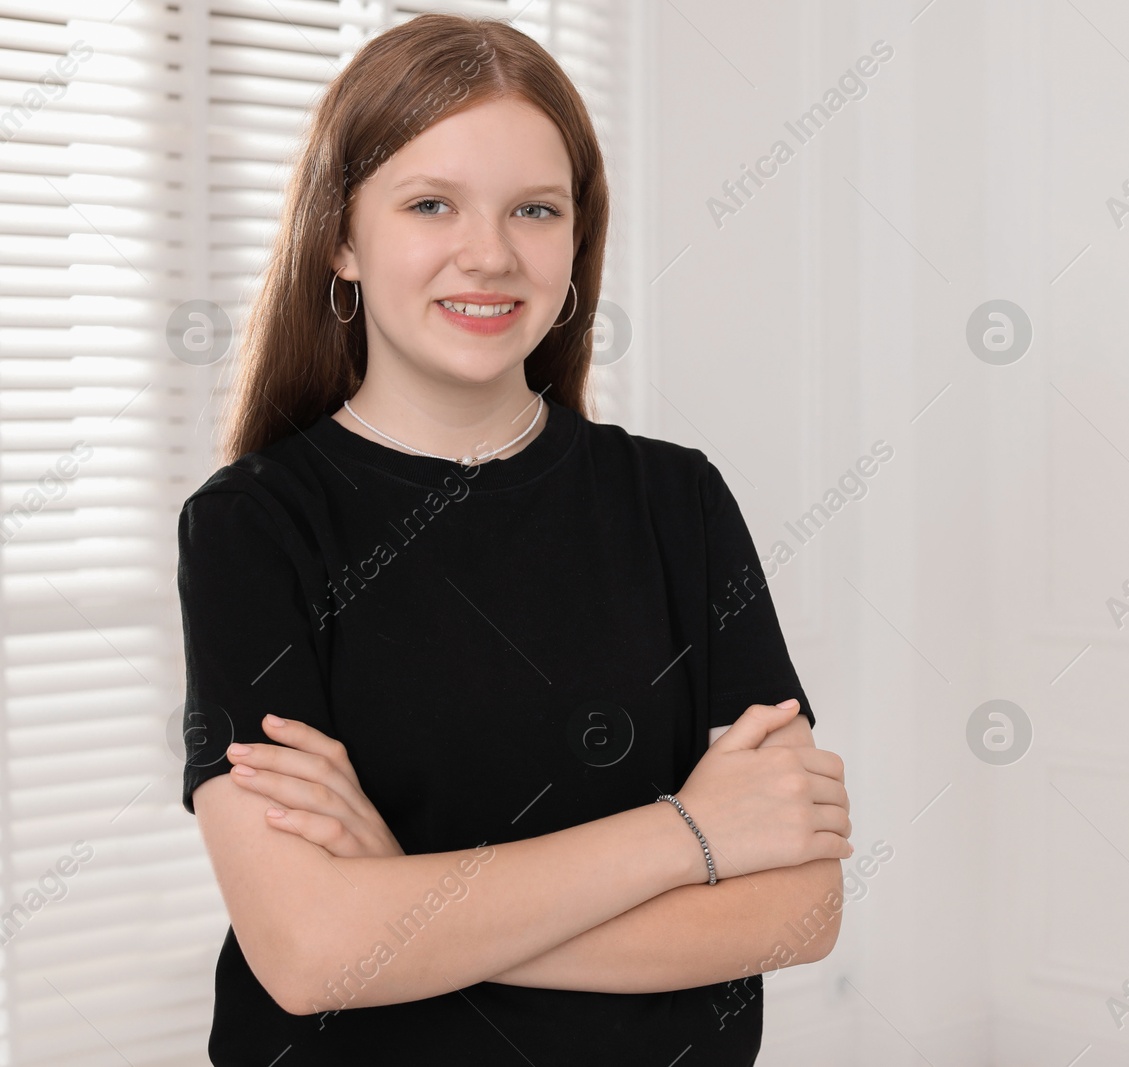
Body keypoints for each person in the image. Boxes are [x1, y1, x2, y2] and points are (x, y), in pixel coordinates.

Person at [176, 13, 853, 1065]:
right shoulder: (253, 525)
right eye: (431, 202)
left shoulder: (676, 499)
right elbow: (310, 951)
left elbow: (798, 908)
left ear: (576, 240)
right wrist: (687, 835)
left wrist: (403, 892)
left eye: (534, 209)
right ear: (344, 238)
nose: (488, 253)